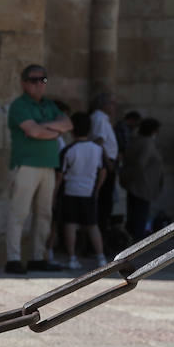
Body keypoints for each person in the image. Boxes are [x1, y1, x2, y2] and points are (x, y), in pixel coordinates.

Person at [5, 65, 72, 273]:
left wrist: (45, 129)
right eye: (33, 80)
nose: (38, 84)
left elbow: (67, 124)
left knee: (44, 214)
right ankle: (13, 259)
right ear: (24, 83)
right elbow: (33, 131)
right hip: (26, 165)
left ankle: (37, 256)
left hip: (48, 166)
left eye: (42, 80)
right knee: (19, 213)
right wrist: (54, 130)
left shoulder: (49, 105)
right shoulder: (19, 106)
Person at [57, 112, 106, 269]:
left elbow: (60, 174)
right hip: (89, 191)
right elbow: (103, 171)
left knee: (70, 224)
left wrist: (55, 192)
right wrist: (97, 188)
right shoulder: (97, 149)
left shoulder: (68, 150)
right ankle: (101, 258)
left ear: (72, 130)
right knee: (92, 225)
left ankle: (72, 258)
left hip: (71, 190)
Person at [120, 117, 164, 241]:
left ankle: (132, 240)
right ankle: (136, 243)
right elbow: (140, 164)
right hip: (142, 185)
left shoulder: (136, 141)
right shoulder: (147, 143)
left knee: (134, 215)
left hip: (135, 185)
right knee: (139, 216)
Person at [88, 91, 120, 226]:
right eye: (111, 103)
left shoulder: (103, 118)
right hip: (105, 164)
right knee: (104, 200)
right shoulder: (99, 118)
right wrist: (107, 162)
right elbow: (99, 141)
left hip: (108, 162)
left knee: (107, 200)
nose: (114, 106)